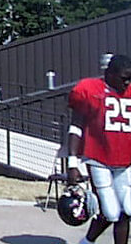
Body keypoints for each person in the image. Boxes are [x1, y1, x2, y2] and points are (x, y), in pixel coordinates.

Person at [67, 54, 131, 244]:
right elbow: (76, 126)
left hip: (126, 160)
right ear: (109, 74)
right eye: (124, 78)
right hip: (98, 159)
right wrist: (72, 163)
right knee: (110, 211)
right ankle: (87, 241)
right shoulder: (90, 89)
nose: (127, 83)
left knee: (127, 208)